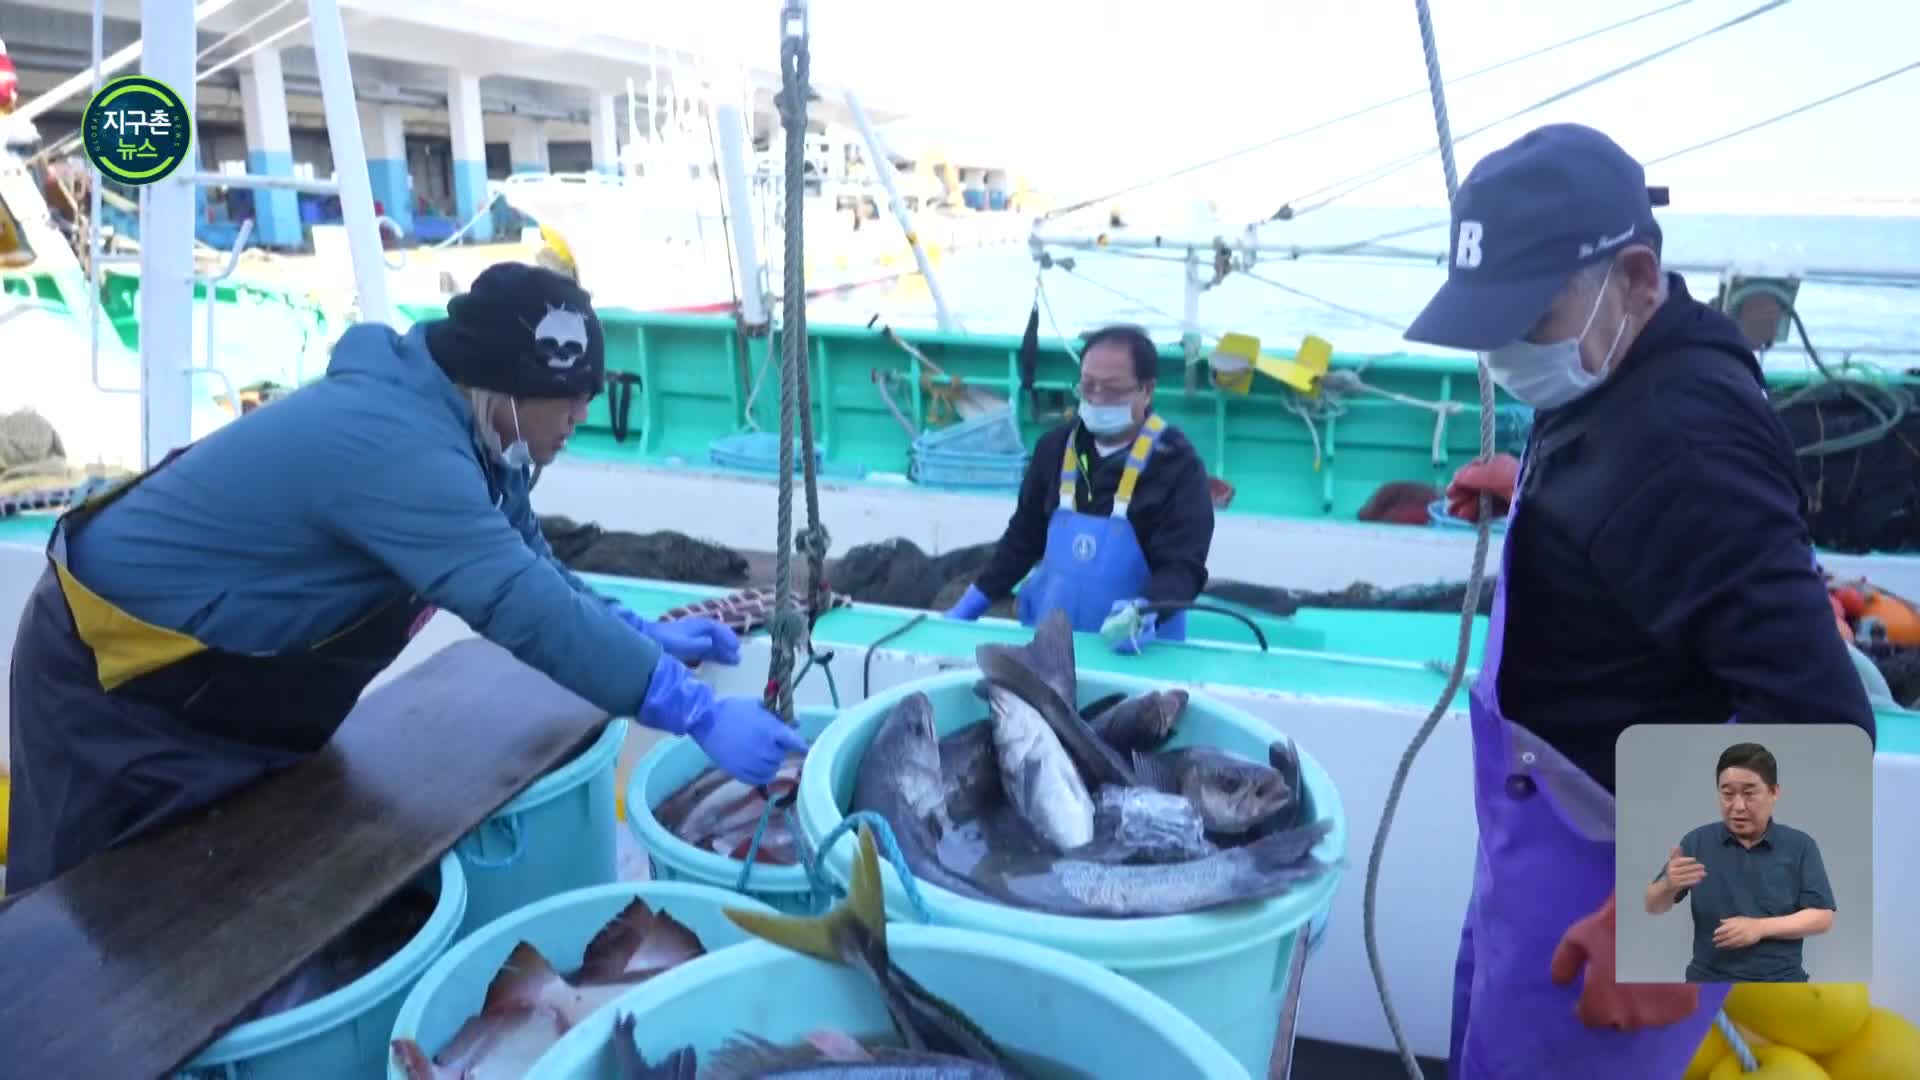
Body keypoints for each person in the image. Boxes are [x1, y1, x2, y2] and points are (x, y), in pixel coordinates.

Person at [5, 262, 805, 894]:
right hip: (114, 678)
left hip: (216, 689)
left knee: (208, 885)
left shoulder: (476, 439)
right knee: (89, 921)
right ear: (509, 388)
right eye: (568, 401)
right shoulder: (399, 451)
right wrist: (690, 709)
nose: (578, 421)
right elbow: (515, 599)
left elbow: (533, 566)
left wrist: (643, 639)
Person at [1403, 123, 1877, 1078]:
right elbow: (1616, 464)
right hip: (1532, 857)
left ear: (1637, 279)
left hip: (1615, 897)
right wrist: (1543, 497)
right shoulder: (1615, 358)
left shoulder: (1688, 453)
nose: (1503, 353)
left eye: (1526, 319)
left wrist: (1662, 918)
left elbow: (1828, 731)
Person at [942, 324, 1215, 653]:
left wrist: (1146, 610)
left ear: (1147, 390)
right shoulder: (1054, 448)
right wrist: (973, 602)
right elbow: (1023, 538)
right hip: (1050, 647)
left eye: (1112, 389)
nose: (1097, 398)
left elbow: (1182, 567)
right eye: (1087, 386)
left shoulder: (1178, 465)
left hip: (1138, 650)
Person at [1645, 742, 1836, 983]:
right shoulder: (1697, 842)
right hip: (1708, 981)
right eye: (1727, 794)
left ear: (1774, 792)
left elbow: (1823, 917)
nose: (1737, 806)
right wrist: (1668, 885)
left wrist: (1760, 928)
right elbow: (1653, 906)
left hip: (1781, 982)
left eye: (1749, 793)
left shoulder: (1800, 845)